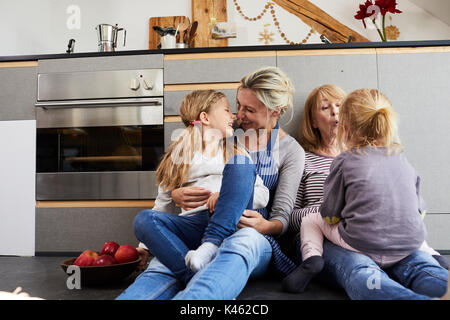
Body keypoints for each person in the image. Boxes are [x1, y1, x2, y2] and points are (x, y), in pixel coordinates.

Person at [117, 66, 305, 300]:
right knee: (159, 266)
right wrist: (174, 193)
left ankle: (201, 275)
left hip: (246, 231)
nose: (238, 115)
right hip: (194, 229)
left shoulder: (288, 151)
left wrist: (264, 224)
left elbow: (282, 215)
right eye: (236, 106)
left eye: (249, 110)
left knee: (239, 246)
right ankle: (194, 265)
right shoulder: (224, 134)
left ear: (274, 110)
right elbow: (174, 180)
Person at [283, 87, 449, 299]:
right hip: (338, 237)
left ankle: (431, 260)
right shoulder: (302, 158)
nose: (335, 112)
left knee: (423, 266)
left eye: (340, 107)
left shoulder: (353, 159)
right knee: (363, 271)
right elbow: (292, 215)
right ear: (313, 121)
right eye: (325, 107)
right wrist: (348, 213)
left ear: (348, 124)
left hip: (366, 233)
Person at [131, 90, 270, 283]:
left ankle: (211, 245)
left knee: (241, 165)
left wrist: (225, 196)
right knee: (143, 219)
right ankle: (195, 273)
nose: (234, 116)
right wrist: (145, 247)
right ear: (205, 117)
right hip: (192, 227)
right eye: (227, 110)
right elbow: (162, 207)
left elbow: (263, 194)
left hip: (230, 223)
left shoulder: (236, 152)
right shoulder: (176, 158)